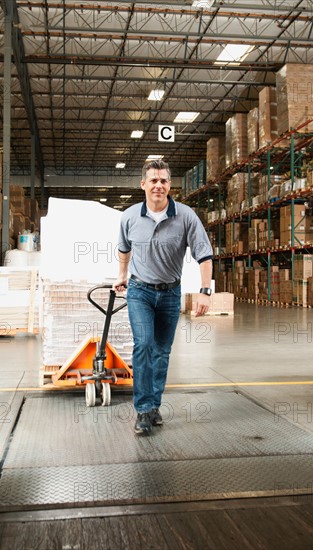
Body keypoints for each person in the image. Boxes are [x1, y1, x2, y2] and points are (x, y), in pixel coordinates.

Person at [114, 159, 213, 435]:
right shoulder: (130, 216)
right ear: (143, 184)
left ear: (170, 185)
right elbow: (124, 249)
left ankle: (154, 405)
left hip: (170, 293)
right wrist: (122, 274)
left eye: (164, 181)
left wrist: (205, 291)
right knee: (143, 345)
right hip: (139, 291)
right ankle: (143, 410)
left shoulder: (186, 216)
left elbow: (204, 254)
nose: (159, 185)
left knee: (162, 352)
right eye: (153, 180)